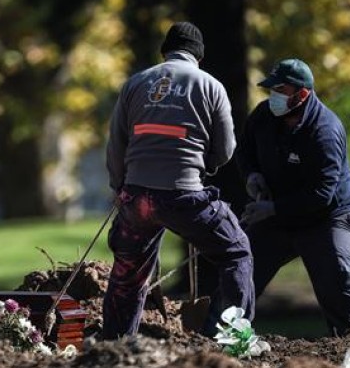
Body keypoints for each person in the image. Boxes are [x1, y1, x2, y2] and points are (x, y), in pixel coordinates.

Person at [103, 22, 255, 339]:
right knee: (236, 253)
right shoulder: (211, 86)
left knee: (129, 273)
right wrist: (205, 166)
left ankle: (114, 346)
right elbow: (226, 148)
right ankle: (237, 341)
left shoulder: (136, 83)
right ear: (198, 55)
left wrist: (121, 187)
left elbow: (116, 144)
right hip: (184, 196)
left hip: (138, 197)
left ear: (165, 52)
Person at [237, 58, 350, 336]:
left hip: (328, 217)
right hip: (277, 214)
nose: (273, 96)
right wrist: (252, 176)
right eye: (271, 89)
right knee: (238, 267)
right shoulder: (262, 116)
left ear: (302, 94)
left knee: (338, 277)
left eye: (279, 90)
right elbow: (244, 151)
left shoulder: (325, 132)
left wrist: (272, 209)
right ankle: (221, 340)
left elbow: (321, 195)